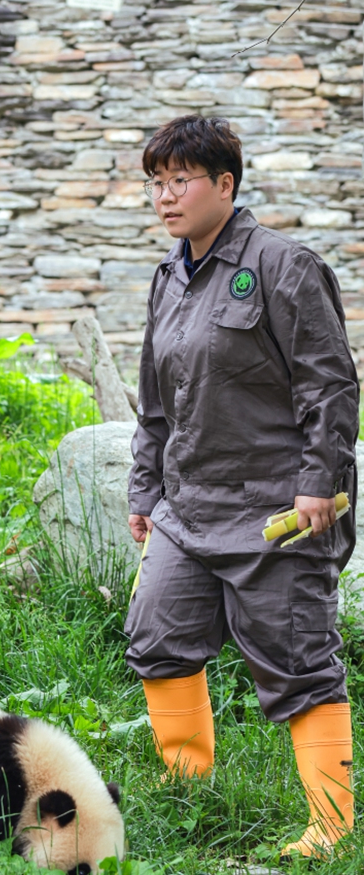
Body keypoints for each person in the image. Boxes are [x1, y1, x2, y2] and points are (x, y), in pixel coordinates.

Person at [125, 114, 359, 859]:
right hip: (187, 511)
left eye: (180, 182)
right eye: (155, 184)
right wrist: (143, 491)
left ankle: (331, 826)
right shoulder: (168, 276)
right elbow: (155, 402)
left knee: (295, 660)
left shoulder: (284, 266)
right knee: (156, 635)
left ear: (224, 184)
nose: (165, 198)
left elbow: (329, 385)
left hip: (276, 512)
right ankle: (188, 787)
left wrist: (318, 482)